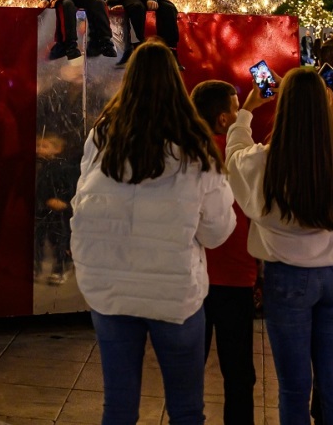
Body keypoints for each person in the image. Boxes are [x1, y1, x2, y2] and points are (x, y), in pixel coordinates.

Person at [70, 40, 236, 425]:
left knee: (119, 406)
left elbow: (83, 198)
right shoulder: (195, 148)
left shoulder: (102, 136)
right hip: (174, 295)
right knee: (185, 408)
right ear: (175, 85)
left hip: (107, 288)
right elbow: (217, 232)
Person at [225, 67, 333, 425]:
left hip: (289, 278)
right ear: (325, 106)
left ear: (283, 108)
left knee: (295, 387)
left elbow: (234, 155)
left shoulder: (263, 161)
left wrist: (248, 109)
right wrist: (328, 117)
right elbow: (329, 141)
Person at [192, 80, 257, 425]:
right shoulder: (238, 157)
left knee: (189, 371)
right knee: (239, 375)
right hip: (234, 278)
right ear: (222, 120)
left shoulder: (186, 155)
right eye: (235, 107)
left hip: (194, 278)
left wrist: (245, 113)